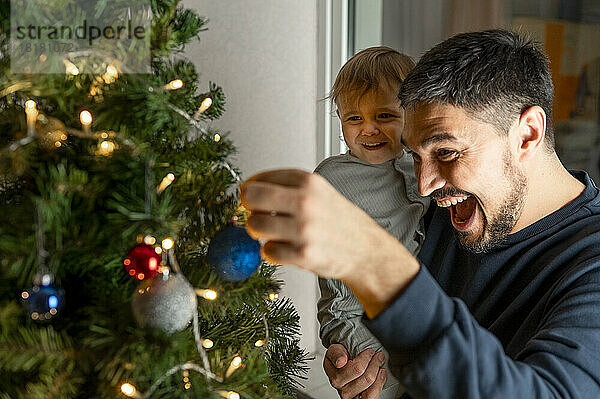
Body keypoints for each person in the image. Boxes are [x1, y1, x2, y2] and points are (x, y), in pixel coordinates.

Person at [241, 29, 600, 398]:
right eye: (413, 155)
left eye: (446, 152)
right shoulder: (445, 207)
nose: (425, 185)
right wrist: (353, 353)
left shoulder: (590, 265)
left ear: (527, 133)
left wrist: (377, 264)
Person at [315, 46, 429, 399]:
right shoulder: (332, 180)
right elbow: (337, 293)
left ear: (409, 115)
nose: (368, 130)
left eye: (384, 115)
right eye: (353, 119)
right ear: (338, 117)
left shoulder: (424, 164)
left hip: (430, 317)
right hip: (362, 322)